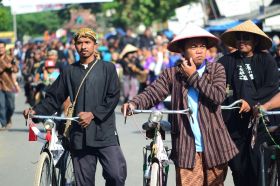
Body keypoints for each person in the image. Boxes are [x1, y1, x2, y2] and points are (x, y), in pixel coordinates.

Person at [122, 24, 238, 186]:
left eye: (203, 46)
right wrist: (134, 103)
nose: (199, 50)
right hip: (187, 148)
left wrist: (193, 77)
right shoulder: (172, 74)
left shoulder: (216, 69)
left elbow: (217, 96)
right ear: (183, 51)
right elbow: (153, 92)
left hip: (215, 147)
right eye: (193, 46)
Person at [23, 27, 127, 186]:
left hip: (104, 132)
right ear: (75, 46)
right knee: (84, 183)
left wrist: (93, 114)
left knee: (116, 175)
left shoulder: (108, 68)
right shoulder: (69, 71)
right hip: (79, 135)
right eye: (80, 43)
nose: (83, 46)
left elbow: (113, 98)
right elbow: (53, 98)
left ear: (95, 45)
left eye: (87, 42)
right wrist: (35, 111)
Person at [218, 20, 279, 186]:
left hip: (260, 122)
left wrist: (251, 102)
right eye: (239, 38)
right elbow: (218, 86)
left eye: (247, 38)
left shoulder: (266, 60)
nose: (242, 41)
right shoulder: (225, 62)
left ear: (256, 41)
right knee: (238, 168)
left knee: (258, 166)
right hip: (234, 123)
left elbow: (272, 86)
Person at [0, 40, 19, 130]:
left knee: (11, 106)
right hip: (0, 85)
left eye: (2, 47)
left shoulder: (10, 58)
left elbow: (16, 69)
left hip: (9, 85)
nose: (0, 49)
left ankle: (8, 119)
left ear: (5, 48)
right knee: (1, 105)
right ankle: (3, 124)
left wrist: (10, 67)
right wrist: (4, 67)